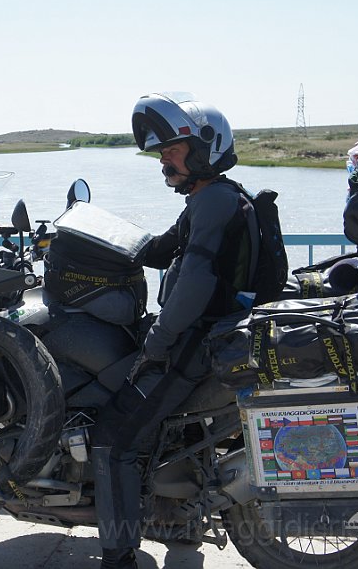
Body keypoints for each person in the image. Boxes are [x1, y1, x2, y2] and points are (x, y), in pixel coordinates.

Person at [90, 93, 252, 569]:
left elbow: (195, 284)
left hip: (194, 344)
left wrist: (156, 347)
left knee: (113, 439)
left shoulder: (214, 201)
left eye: (172, 148)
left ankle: (118, 558)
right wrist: (91, 239)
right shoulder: (214, 198)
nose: (163, 157)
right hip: (206, 336)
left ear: (204, 148)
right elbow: (163, 249)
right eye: (161, 150)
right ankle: (176, 519)